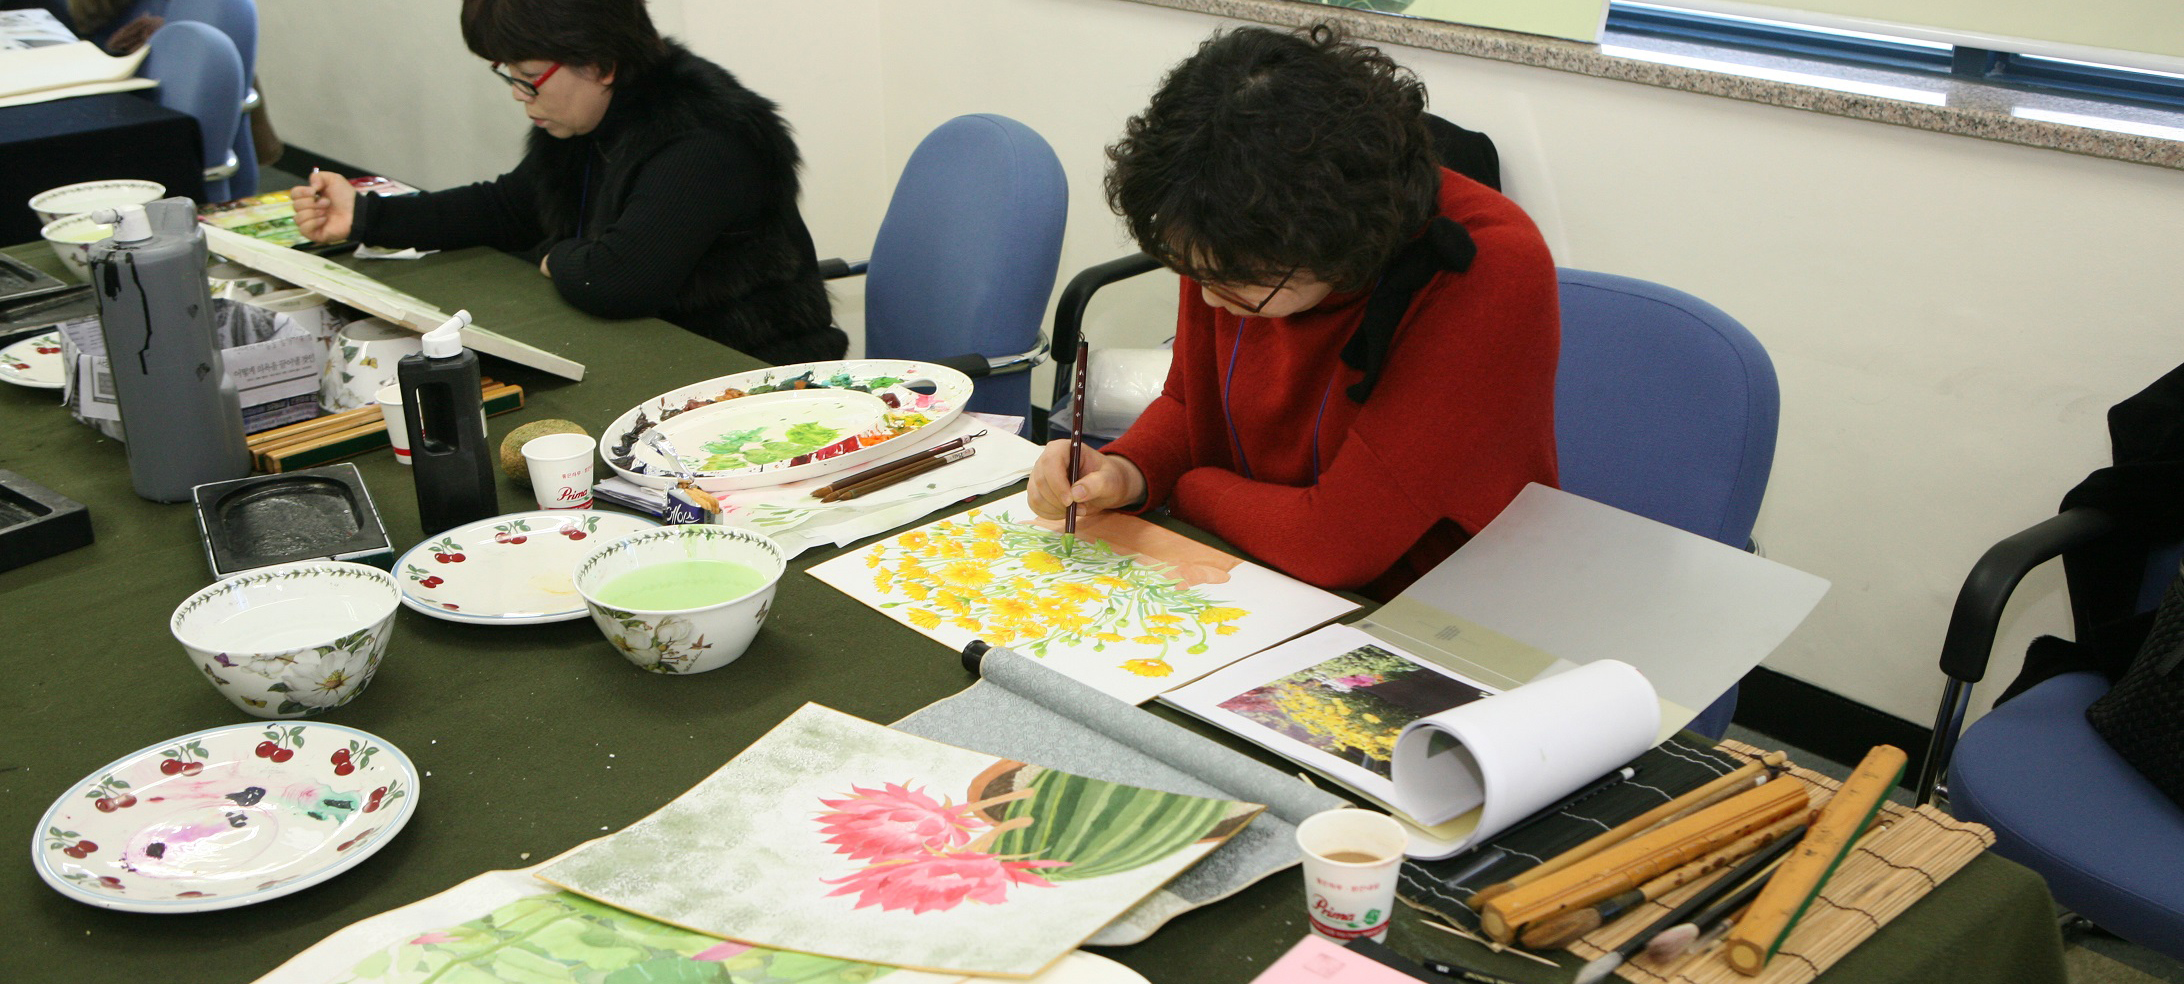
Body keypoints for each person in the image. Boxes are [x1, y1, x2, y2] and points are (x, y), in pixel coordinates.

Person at [1026, 25, 1560, 600]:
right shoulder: (1228, 232)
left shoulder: (1489, 266)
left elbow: (1336, 542)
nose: (1208, 299)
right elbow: (1191, 402)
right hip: (1263, 570)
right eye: (1193, 271)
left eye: (1233, 280)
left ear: (1331, 236)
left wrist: (1189, 487)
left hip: (1435, 609)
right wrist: (1124, 472)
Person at [290, 0, 843, 366]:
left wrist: (558, 255)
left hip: (754, 371)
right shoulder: (591, 117)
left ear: (601, 64)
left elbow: (618, 280)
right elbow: (509, 206)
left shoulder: (704, 139)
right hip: (651, 355)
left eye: (529, 80)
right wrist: (368, 217)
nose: (517, 95)